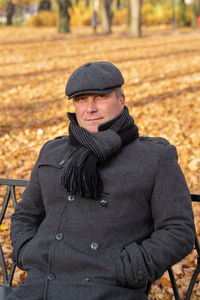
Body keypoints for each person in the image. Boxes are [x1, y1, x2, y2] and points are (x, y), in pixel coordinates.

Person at [7, 61, 195, 300]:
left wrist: (126, 267)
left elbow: (178, 230)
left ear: (121, 100)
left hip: (107, 289)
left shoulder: (154, 157)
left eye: (100, 97)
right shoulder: (53, 152)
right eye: (81, 100)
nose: (90, 108)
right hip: (39, 286)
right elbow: (25, 215)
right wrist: (27, 251)